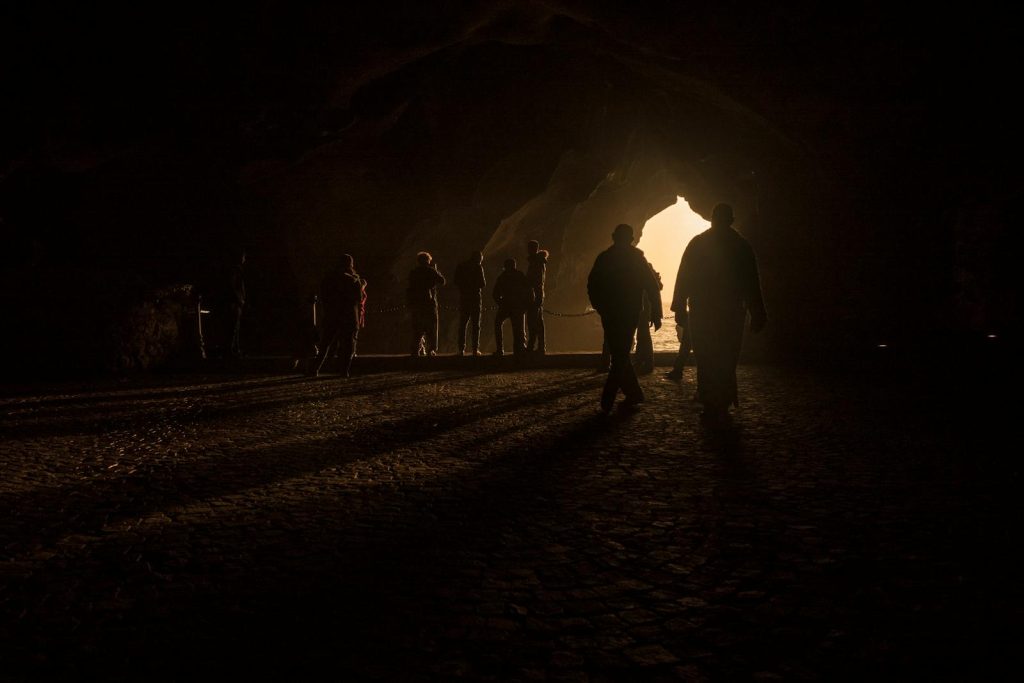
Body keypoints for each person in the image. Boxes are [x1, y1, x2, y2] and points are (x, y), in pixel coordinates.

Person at [671, 202, 767, 425]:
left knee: (706, 356)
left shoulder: (698, 243)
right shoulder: (741, 246)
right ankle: (722, 399)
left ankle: (710, 398)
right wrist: (757, 311)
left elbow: (684, 275)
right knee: (726, 355)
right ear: (730, 220)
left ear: (712, 219)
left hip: (703, 310)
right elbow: (752, 282)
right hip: (731, 312)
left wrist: (678, 306)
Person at [587, 224, 663, 413]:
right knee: (621, 353)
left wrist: (600, 306)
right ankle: (630, 394)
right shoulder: (636, 259)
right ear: (631, 238)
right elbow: (652, 287)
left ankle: (610, 396)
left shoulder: (605, 258)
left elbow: (592, 285)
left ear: (614, 237)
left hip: (612, 312)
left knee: (619, 353)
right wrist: (656, 313)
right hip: (629, 311)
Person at [310, 253, 366, 378]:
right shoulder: (352, 279)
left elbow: (324, 296)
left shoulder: (328, 278)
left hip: (332, 314)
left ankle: (315, 368)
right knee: (348, 346)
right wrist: (361, 285)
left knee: (325, 343)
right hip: (348, 316)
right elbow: (358, 297)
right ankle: (344, 371)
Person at [492, 257, 534, 357]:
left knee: (498, 324)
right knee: (518, 328)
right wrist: (527, 304)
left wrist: (500, 302)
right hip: (518, 306)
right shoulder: (519, 275)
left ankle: (500, 349)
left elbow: (495, 293)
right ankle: (519, 349)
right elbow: (528, 289)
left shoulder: (502, 276)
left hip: (506, 305)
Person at [407, 251, 446, 356]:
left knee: (417, 327)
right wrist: (435, 270)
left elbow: (410, 287)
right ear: (428, 261)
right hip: (429, 303)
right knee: (431, 327)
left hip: (417, 303)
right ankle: (431, 349)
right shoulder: (431, 271)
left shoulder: (413, 272)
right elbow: (442, 281)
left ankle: (416, 348)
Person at [453, 250, 486, 356]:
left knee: (462, 324)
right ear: (479, 257)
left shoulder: (461, 266)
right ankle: (475, 349)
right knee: (476, 324)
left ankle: (461, 349)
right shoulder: (478, 267)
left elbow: (456, 281)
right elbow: (482, 283)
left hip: (464, 297)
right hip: (475, 297)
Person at [634, 264, 662, 375]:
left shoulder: (639, 271)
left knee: (643, 335)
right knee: (642, 335)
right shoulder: (647, 272)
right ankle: (641, 361)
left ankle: (647, 363)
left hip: (642, 309)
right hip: (645, 309)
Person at [525, 240, 548, 354]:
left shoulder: (536, 262)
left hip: (534, 295)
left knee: (533, 321)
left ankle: (532, 346)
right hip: (538, 294)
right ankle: (540, 346)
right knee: (538, 321)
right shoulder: (539, 261)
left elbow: (536, 280)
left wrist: (528, 286)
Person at [227, 248, 246, 358]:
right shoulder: (235, 270)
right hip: (235, 303)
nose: (244, 259)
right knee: (234, 327)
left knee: (236, 326)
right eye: (243, 257)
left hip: (237, 302)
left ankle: (235, 349)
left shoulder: (237, 270)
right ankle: (232, 349)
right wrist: (239, 299)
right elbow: (233, 286)